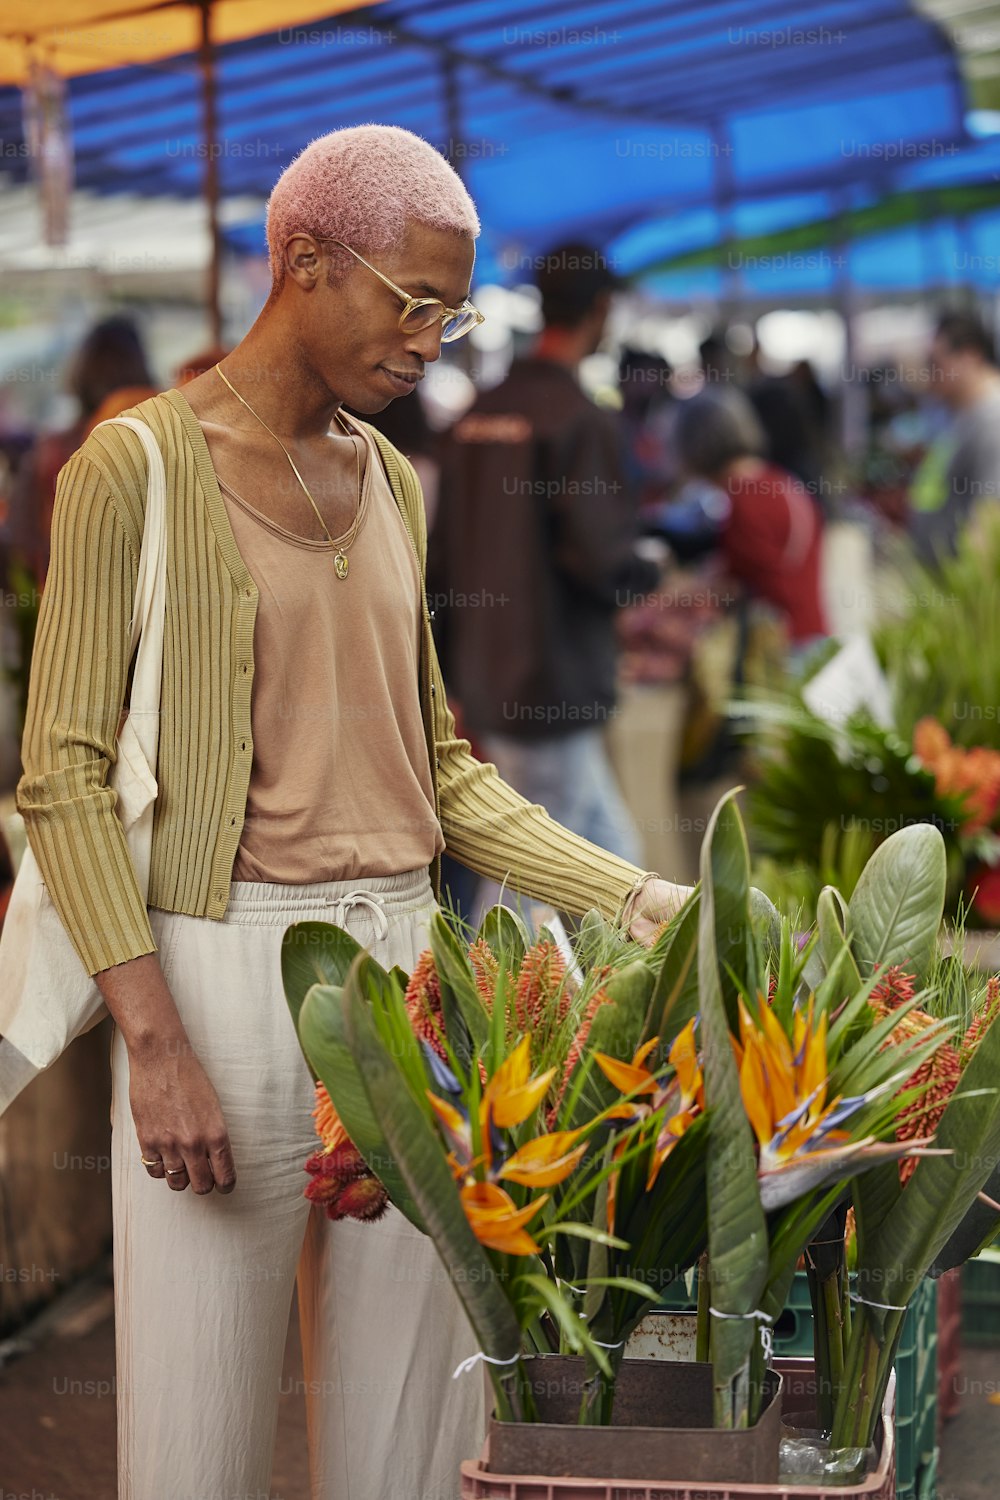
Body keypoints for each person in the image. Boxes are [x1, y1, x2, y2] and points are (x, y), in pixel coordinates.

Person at [15, 126, 686, 1500]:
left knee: (413, 1447)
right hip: (217, 980)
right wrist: (154, 1043)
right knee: (192, 1447)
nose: (435, 341)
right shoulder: (128, 474)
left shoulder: (390, 480)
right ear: (306, 260)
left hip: (410, 987)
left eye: (457, 310)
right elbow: (64, 778)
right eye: (414, 301)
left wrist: (635, 896)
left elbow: (437, 768)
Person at [428, 242, 659, 874]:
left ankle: (645, 964)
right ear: (602, 309)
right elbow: (602, 559)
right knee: (545, 881)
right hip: (549, 685)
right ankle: (505, 976)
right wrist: (652, 565)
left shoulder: (478, 413)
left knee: (602, 858)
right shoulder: (579, 421)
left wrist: (445, 673)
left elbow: (438, 554)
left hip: (484, 678)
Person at [670, 388, 827, 648]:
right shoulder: (778, 480)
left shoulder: (747, 501)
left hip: (784, 647)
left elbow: (738, 586)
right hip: (810, 633)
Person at [909, 310, 1000, 560]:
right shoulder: (961, 416)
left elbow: (991, 518)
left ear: (970, 357)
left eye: (934, 364)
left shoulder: (993, 421)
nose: (928, 375)